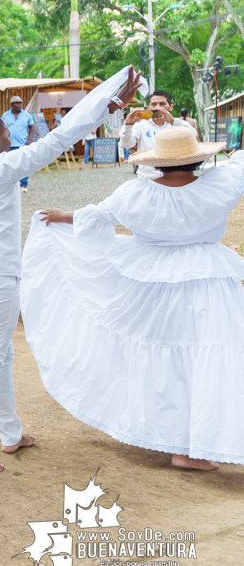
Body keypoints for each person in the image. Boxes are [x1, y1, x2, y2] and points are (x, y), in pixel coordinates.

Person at [0, 55, 138, 476]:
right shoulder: (4, 165)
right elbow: (61, 138)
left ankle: (11, 434)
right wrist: (108, 105)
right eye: (5, 137)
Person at [23, 125, 242, 470]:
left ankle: (172, 440)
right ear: (198, 159)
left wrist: (61, 216)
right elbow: (239, 164)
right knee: (201, 359)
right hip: (207, 281)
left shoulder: (136, 193)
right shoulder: (221, 185)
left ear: (158, 162)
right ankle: (193, 448)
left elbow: (99, 215)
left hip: (151, 283)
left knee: (164, 359)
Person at [120, 90, 195, 180]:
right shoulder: (141, 126)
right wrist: (128, 125)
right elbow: (126, 144)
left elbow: (193, 136)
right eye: (154, 104)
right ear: (148, 107)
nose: (158, 107)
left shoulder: (179, 124)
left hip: (175, 179)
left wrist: (173, 122)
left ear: (171, 107)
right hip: (147, 179)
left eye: (162, 104)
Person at [0, 96, 38, 192]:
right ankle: (10, 184)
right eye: (16, 103)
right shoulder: (5, 115)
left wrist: (29, 139)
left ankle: (24, 185)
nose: (19, 105)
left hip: (22, 143)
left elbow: (32, 127)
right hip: (9, 144)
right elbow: (1, 128)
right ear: (12, 105)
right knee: (9, 164)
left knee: (23, 164)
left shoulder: (27, 115)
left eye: (20, 103)